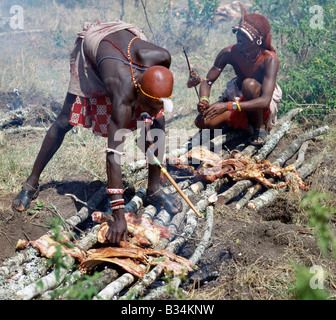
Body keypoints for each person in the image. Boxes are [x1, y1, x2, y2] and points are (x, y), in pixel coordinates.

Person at [12, 20, 182, 245]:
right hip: (94, 51)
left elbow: (155, 95)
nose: (153, 110)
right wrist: (119, 216)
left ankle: (154, 189)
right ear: (138, 95)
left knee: (158, 125)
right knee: (64, 121)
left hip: (124, 41)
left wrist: (149, 120)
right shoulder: (122, 96)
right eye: (148, 106)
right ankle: (31, 183)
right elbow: (114, 155)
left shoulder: (163, 58)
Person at [194, 4, 282, 146]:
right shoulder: (229, 52)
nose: (238, 37)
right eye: (237, 33)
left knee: (249, 84)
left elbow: (265, 101)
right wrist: (204, 100)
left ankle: (259, 128)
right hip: (236, 101)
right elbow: (207, 81)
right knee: (201, 121)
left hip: (258, 106)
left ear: (258, 40)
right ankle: (240, 124)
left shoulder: (269, 59)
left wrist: (227, 106)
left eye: (244, 35)